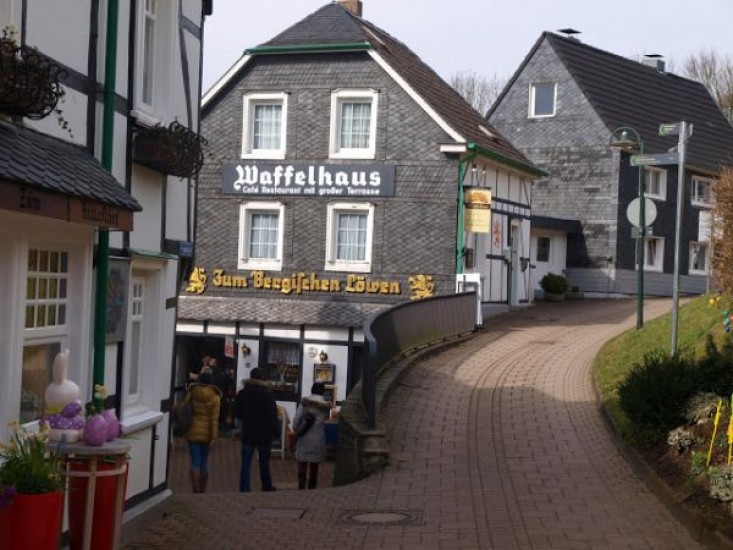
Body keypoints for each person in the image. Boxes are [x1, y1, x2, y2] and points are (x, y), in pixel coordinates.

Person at [232, 367, 279, 492]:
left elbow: (236, 412)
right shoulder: (268, 394)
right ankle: (266, 485)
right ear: (262, 378)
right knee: (264, 461)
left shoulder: (243, 393)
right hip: (264, 433)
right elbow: (272, 415)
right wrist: (276, 432)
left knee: (246, 462)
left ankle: (244, 487)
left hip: (248, 431)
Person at [181, 370, 221, 493]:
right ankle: (202, 490)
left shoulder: (193, 392)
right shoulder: (215, 397)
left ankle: (195, 489)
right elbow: (214, 419)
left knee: (195, 462)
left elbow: (183, 407)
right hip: (207, 434)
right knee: (204, 463)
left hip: (193, 431)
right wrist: (214, 436)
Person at [292, 382, 332, 490]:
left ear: (312, 390)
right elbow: (326, 418)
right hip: (318, 437)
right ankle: (312, 488)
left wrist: (295, 429)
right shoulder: (325, 405)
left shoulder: (304, 402)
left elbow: (297, 418)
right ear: (322, 391)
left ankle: (301, 486)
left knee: (302, 462)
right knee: (314, 465)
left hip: (304, 436)